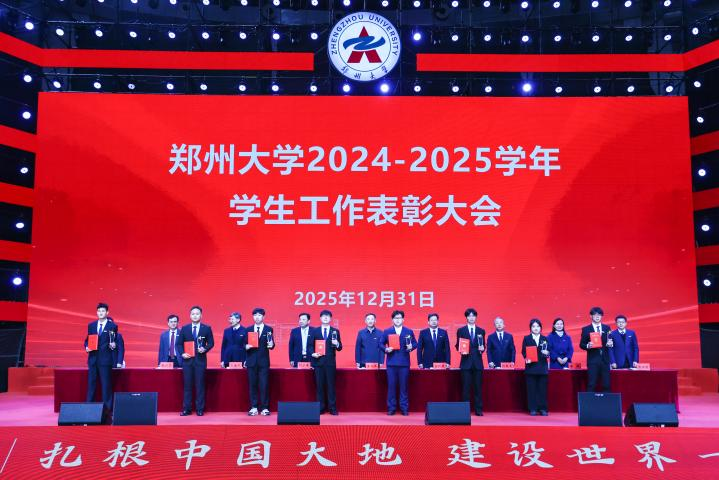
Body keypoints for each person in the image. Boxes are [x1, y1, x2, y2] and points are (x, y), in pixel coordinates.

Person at [178, 306, 214, 416]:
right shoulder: (185, 328)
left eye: (197, 314)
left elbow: (211, 343)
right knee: (187, 386)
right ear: (190, 316)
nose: (195, 316)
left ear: (201, 315)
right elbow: (179, 344)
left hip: (200, 361)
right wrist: (182, 353)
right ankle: (187, 409)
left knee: (200, 385)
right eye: (193, 314)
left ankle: (200, 409)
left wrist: (205, 349)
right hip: (187, 361)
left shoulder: (206, 328)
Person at [380, 310, 417, 416]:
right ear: (392, 320)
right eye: (395, 318)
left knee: (403, 387)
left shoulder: (408, 331)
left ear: (403, 319)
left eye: (399, 318)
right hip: (391, 363)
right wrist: (386, 349)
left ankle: (404, 408)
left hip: (404, 363)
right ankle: (391, 408)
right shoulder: (387, 331)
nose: (397, 320)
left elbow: (415, 343)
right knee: (391, 387)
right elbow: (380, 343)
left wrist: (411, 347)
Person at [84, 302, 118, 416]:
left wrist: (113, 345)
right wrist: (86, 347)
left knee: (106, 386)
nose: (100, 313)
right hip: (93, 360)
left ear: (107, 313)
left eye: (103, 311)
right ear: (96, 312)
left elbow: (114, 341)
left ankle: (108, 412)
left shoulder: (112, 326)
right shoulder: (91, 325)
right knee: (91, 386)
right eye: (99, 311)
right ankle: (88, 411)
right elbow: (87, 340)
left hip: (105, 360)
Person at [310, 310, 343, 415]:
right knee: (319, 386)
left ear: (330, 318)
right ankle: (320, 408)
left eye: (327, 316)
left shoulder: (335, 331)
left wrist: (337, 343)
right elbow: (310, 345)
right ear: (320, 318)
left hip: (330, 363)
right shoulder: (315, 331)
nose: (325, 318)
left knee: (331, 386)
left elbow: (340, 347)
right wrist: (313, 353)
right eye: (323, 316)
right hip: (318, 362)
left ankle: (332, 408)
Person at [455, 307, 485, 416]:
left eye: (473, 316)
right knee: (466, 388)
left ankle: (478, 410)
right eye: (469, 316)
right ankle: (465, 411)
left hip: (477, 363)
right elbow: (457, 345)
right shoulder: (461, 330)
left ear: (476, 317)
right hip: (466, 363)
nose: (471, 318)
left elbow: (483, 345)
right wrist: (461, 350)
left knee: (478, 388)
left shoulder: (481, 331)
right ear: (466, 317)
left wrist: (482, 349)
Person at [245, 307, 275, 416]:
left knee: (264, 385)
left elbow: (272, 344)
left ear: (263, 316)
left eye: (259, 315)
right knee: (252, 385)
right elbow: (242, 344)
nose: (257, 317)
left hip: (263, 362)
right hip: (251, 361)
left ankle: (264, 408)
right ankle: (253, 407)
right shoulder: (248, 329)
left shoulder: (268, 329)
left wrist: (271, 345)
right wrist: (246, 346)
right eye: (255, 315)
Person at [579, 306, 613, 392]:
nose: (597, 317)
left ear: (602, 316)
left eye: (599, 315)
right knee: (592, 384)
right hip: (593, 361)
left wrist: (610, 344)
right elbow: (581, 344)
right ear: (591, 316)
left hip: (605, 360)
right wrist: (588, 345)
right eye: (595, 315)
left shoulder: (607, 328)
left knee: (606, 385)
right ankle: (589, 401)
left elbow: (610, 341)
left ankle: (606, 401)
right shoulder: (586, 329)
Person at [522, 318, 550, 416]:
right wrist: (526, 358)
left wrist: (547, 353)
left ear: (541, 328)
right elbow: (524, 351)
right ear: (530, 328)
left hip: (542, 368)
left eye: (538, 326)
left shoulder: (545, 338)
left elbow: (549, 351)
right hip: (531, 368)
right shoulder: (526, 338)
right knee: (531, 390)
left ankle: (543, 409)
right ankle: (532, 408)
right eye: (533, 326)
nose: (536, 328)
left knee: (542, 390)